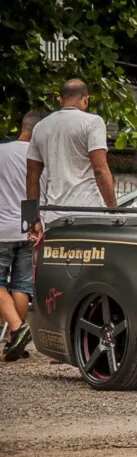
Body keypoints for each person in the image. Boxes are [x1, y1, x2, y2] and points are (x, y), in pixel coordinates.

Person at [26, 78, 116, 239]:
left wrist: (31, 222)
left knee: (59, 262)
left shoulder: (41, 127)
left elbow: (31, 177)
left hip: (54, 216)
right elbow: (100, 170)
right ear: (85, 99)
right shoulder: (93, 122)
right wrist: (114, 211)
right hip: (87, 213)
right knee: (89, 261)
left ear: (61, 99)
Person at [0, 110, 46, 361]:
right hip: (28, 227)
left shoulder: (2, 152)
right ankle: (12, 343)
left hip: (0, 229)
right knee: (20, 286)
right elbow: (38, 194)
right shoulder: (40, 160)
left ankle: (17, 328)